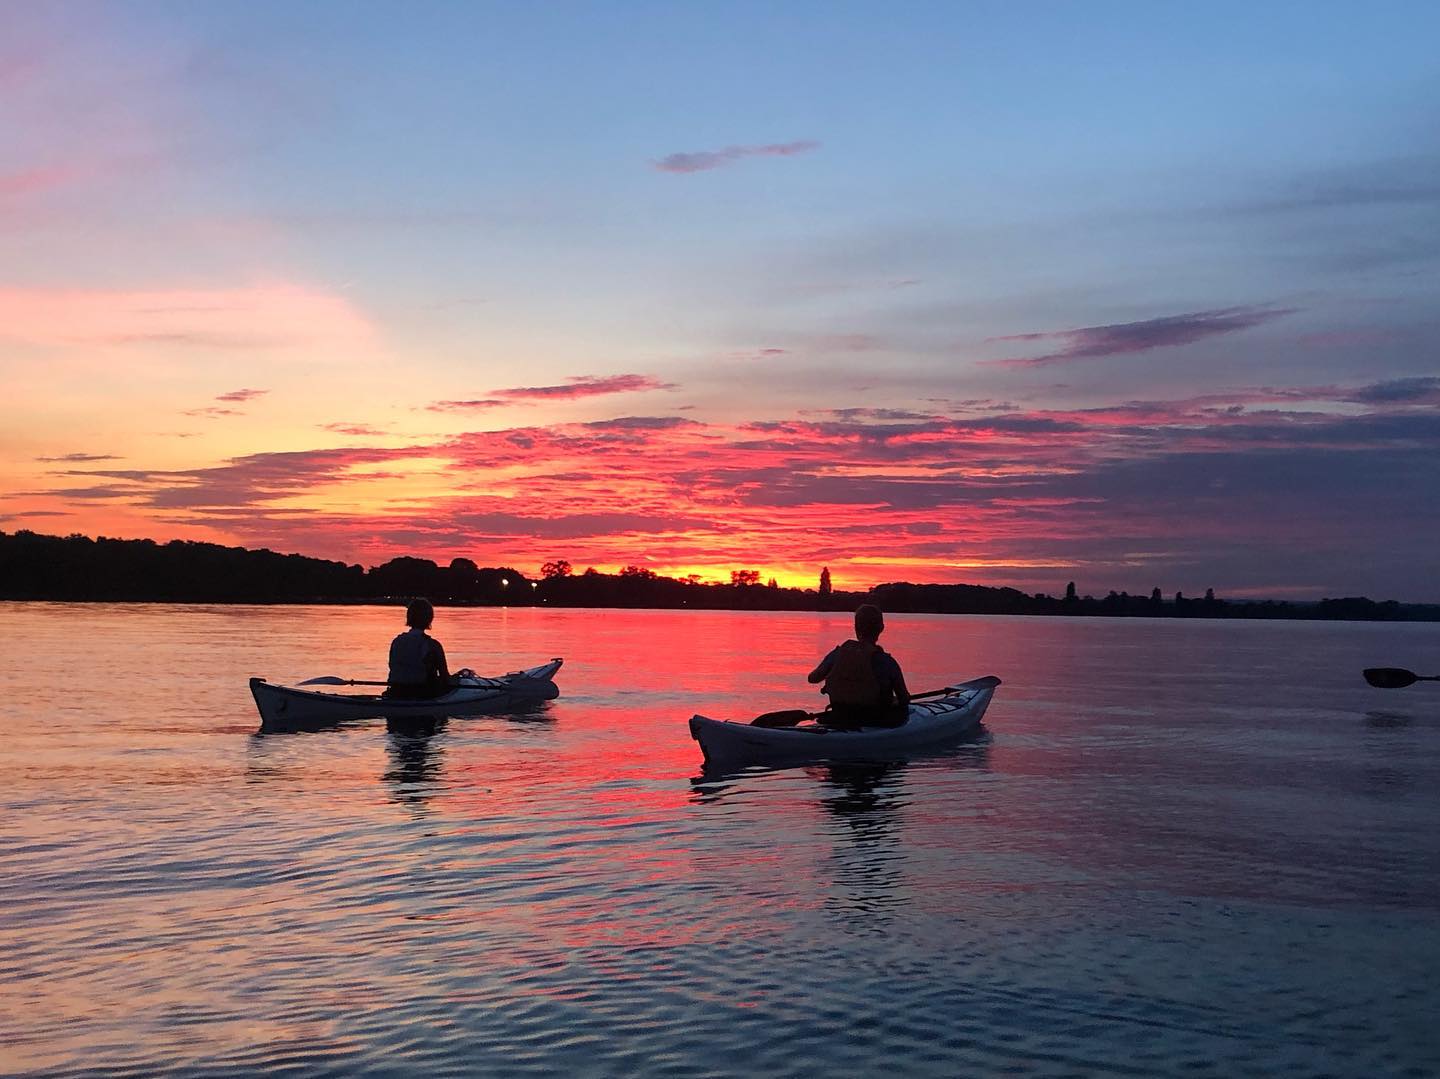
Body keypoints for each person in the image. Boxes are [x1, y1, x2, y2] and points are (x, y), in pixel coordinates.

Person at [807, 603, 911, 729]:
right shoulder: (887, 662)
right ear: (881, 628)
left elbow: (812, 678)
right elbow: (904, 699)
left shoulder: (837, 654)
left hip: (840, 715)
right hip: (875, 720)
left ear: (855, 627)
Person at [385, 598, 452, 699]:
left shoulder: (397, 641)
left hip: (395, 692)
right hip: (422, 694)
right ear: (429, 618)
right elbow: (445, 677)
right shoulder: (433, 645)